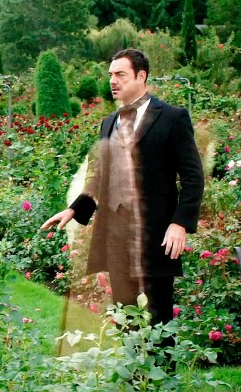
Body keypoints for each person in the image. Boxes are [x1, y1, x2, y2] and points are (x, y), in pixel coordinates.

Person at [41, 49, 204, 327]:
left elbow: (193, 176)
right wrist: (74, 209)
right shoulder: (108, 123)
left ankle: (159, 357)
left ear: (141, 76)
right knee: (125, 316)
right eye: (110, 75)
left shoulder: (172, 117)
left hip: (155, 234)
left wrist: (180, 223)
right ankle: (131, 357)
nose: (113, 81)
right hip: (116, 234)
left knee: (158, 320)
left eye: (120, 75)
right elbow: (100, 176)